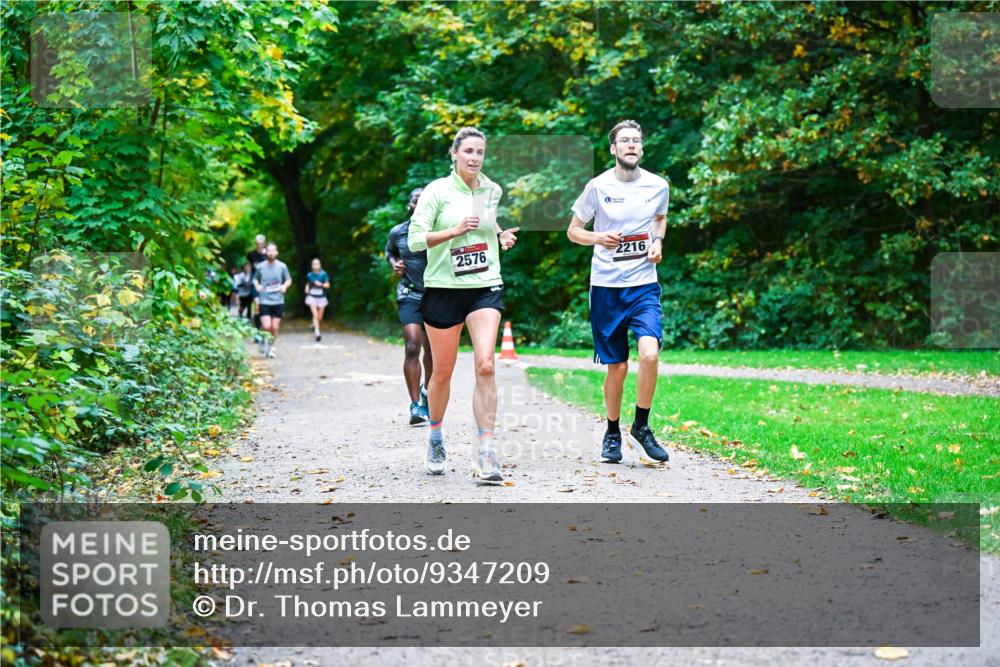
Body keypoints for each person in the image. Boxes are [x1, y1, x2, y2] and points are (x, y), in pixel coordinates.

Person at [408, 127, 519, 482]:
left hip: (484, 284)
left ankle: (486, 452)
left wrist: (500, 234)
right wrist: (454, 231)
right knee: (442, 372)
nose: (474, 158)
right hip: (443, 288)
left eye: (480, 152)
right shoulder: (436, 191)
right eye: (468, 151)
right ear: (454, 154)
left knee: (486, 365)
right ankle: (436, 436)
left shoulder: (492, 189)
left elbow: (487, 220)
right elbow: (414, 240)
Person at [566, 119, 671, 464]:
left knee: (650, 355)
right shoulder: (597, 186)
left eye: (635, 141)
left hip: (643, 284)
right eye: (624, 141)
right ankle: (612, 431)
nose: (630, 145)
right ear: (613, 149)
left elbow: (659, 218)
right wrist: (598, 238)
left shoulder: (658, 185)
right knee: (618, 367)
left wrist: (657, 242)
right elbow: (573, 231)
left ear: (641, 148)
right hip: (607, 287)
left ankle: (641, 426)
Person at [385, 187, 433, 426]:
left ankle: (428, 394)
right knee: (413, 346)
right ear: (410, 205)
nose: (420, 203)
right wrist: (396, 264)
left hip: (436, 295)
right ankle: (416, 405)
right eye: (416, 200)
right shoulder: (398, 232)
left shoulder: (438, 230)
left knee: (433, 352)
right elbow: (389, 253)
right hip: (409, 294)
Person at [252, 243, 291, 359]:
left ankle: (270, 347)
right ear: (266, 252)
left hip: (278, 300)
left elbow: (288, 280)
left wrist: (284, 286)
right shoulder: (261, 266)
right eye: (269, 251)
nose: (271, 253)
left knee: (274, 327)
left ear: (277, 252)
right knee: (267, 326)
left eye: (273, 251)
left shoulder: (282, 266)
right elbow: (255, 279)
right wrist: (258, 286)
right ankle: (263, 339)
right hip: (265, 300)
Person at [247, 234, 268, 347]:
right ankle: (257, 331)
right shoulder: (251, 255)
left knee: (264, 308)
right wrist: (247, 277)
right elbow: (250, 267)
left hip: (266, 285)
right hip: (255, 284)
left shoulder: (268, 255)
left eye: (261, 243)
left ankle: (264, 330)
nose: (259, 245)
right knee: (257, 306)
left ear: (264, 243)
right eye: (257, 243)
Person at [304, 258, 330, 342]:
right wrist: (307, 288)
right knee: (315, 315)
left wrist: (321, 284)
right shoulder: (309, 275)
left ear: (320, 265)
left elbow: (328, 285)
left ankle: (314, 325)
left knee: (319, 317)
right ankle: (317, 333)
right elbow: (308, 283)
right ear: (312, 266)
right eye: (314, 264)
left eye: (317, 264)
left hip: (321, 297)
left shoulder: (324, 274)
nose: (315, 266)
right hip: (312, 297)